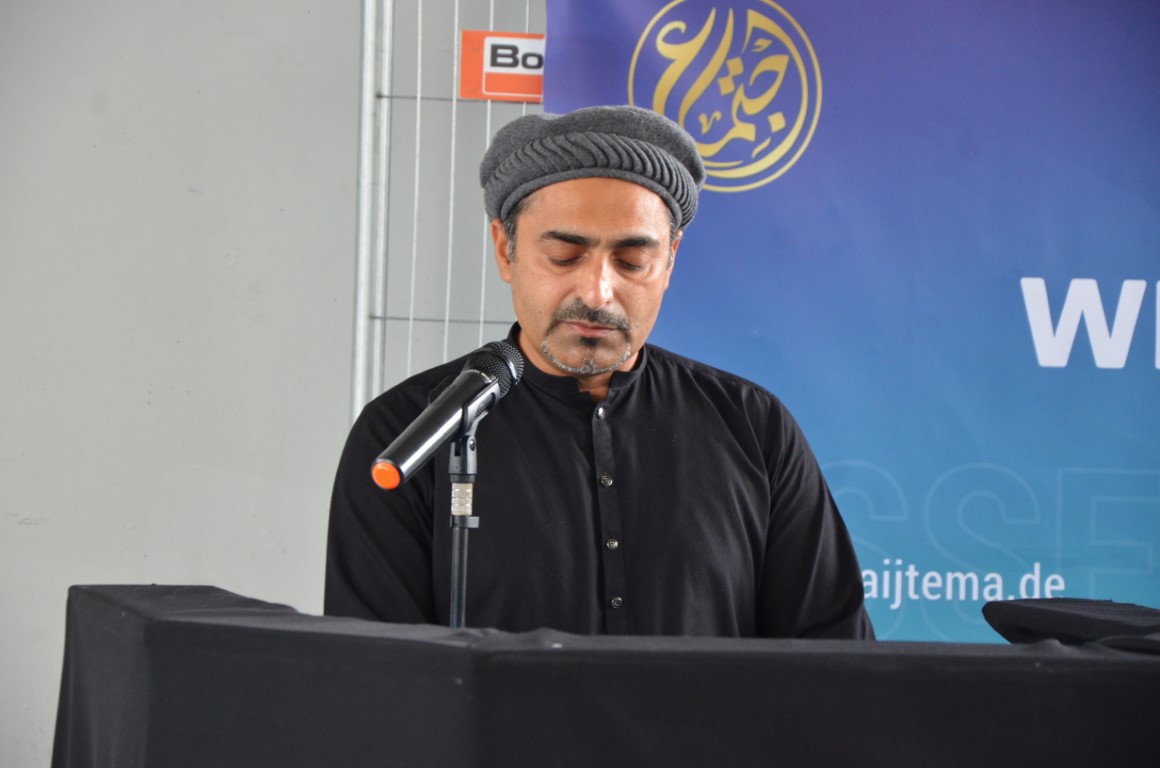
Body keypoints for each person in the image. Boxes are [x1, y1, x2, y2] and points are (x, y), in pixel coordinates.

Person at [325, 105, 873, 639]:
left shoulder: (754, 428)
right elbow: (374, 676)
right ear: (505, 249)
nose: (596, 293)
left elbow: (834, 660)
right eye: (564, 256)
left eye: (632, 262)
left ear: (670, 259)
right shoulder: (407, 435)